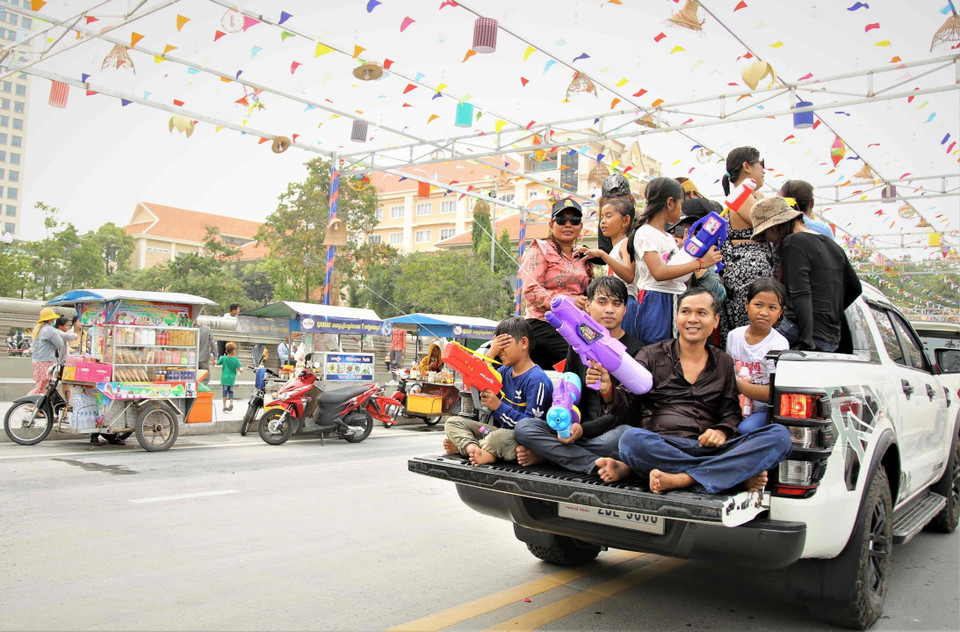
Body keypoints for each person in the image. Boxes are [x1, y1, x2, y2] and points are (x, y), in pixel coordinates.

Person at [594, 288, 793, 494]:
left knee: (779, 436)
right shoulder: (651, 355)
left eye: (701, 313)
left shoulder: (723, 361)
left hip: (708, 447)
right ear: (677, 317)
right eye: (686, 312)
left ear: (715, 320)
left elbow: (731, 412)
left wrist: (721, 431)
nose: (692, 319)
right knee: (631, 441)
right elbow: (627, 403)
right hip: (663, 445)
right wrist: (608, 391)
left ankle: (683, 478)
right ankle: (728, 474)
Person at [514, 277, 645, 473]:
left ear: (625, 309)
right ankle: (593, 463)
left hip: (608, 433)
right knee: (524, 428)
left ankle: (550, 455)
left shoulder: (637, 350)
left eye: (616, 304)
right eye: (602, 302)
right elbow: (566, 388)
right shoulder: (577, 345)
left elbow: (628, 412)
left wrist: (583, 430)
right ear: (588, 306)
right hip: (576, 428)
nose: (609, 309)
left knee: (626, 436)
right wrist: (565, 421)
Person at [750, 197, 862, 352]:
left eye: (765, 233)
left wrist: (806, 339)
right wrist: (829, 313)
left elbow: (801, 293)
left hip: (801, 332)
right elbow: (855, 288)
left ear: (776, 226)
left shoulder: (793, 242)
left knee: (754, 354)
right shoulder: (833, 246)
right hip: (830, 337)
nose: (768, 239)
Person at [443, 317, 553, 466]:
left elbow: (531, 429)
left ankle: (473, 448)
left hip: (518, 439)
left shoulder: (537, 380)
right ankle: (472, 447)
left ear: (524, 343)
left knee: (498, 438)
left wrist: (498, 407)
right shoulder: (504, 371)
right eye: (497, 345)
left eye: (503, 344)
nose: (500, 351)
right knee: (453, 422)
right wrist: (490, 355)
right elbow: (483, 377)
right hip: (497, 432)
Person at [629, 177, 722, 346]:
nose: (681, 209)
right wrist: (700, 264)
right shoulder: (645, 233)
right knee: (657, 351)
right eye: (681, 204)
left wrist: (691, 252)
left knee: (675, 351)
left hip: (675, 298)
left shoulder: (668, 238)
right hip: (656, 299)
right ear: (670, 203)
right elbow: (658, 273)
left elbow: (683, 278)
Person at [519, 198, 594, 370]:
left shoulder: (585, 257)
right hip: (544, 322)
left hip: (576, 324)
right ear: (551, 224)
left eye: (574, 220)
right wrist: (568, 302)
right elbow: (530, 291)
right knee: (578, 358)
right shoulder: (540, 249)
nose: (568, 224)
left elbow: (590, 292)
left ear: (581, 227)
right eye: (561, 220)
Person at [718, 146, 777, 346]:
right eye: (761, 164)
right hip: (747, 276)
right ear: (747, 166)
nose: (764, 170)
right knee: (749, 332)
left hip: (756, 274)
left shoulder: (753, 196)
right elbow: (772, 225)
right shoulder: (741, 196)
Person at [725, 278, 790, 434]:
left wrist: (737, 384)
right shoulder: (734, 336)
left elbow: (772, 393)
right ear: (747, 305)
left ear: (780, 312)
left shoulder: (779, 344)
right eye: (758, 305)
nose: (763, 312)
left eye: (772, 307)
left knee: (744, 430)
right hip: (733, 404)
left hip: (761, 409)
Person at [576, 197, 640, 339]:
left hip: (626, 302)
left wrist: (602, 255)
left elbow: (629, 275)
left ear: (625, 220)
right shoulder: (614, 249)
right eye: (602, 217)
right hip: (616, 304)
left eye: (609, 216)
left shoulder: (626, 243)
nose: (603, 221)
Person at [667, 197, 728, 307]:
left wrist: (696, 260)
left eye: (692, 232)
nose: (687, 237)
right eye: (678, 230)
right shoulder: (662, 253)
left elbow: (720, 294)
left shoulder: (704, 257)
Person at [27, 308, 66, 396]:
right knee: (43, 386)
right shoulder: (49, 330)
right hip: (46, 360)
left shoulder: (38, 329)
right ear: (50, 319)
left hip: (37, 361)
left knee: (41, 384)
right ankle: (30, 402)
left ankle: (39, 407)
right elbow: (60, 343)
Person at [216, 342, 243, 412]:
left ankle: (224, 406)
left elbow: (218, 363)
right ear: (233, 351)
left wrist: (214, 361)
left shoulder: (223, 358)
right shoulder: (235, 360)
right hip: (231, 379)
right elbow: (239, 369)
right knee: (231, 392)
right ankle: (231, 403)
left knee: (224, 392)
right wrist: (240, 371)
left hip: (224, 379)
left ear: (226, 350)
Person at [196, 319, 215, 385]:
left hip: (192, 357)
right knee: (205, 376)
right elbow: (212, 343)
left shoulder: (190, 329)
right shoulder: (207, 329)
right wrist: (215, 356)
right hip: (204, 356)